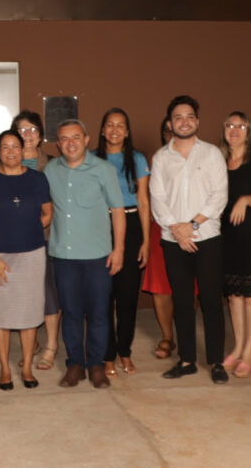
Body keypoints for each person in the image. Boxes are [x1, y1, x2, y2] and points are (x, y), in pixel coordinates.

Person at [150, 96, 229, 384]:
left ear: (197, 121)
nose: (184, 122)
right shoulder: (160, 158)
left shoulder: (212, 154)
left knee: (211, 301)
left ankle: (216, 361)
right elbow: (157, 198)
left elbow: (219, 195)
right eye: (178, 117)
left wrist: (191, 225)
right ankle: (186, 361)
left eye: (190, 116)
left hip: (207, 237)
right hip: (173, 241)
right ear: (170, 123)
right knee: (182, 302)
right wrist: (176, 230)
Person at [45, 119, 126, 389]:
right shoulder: (51, 171)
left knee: (99, 313)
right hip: (64, 256)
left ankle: (96, 365)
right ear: (58, 144)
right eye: (64, 138)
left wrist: (119, 249)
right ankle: (75, 365)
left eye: (76, 137)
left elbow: (118, 211)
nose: (71, 143)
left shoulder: (103, 169)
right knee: (70, 313)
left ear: (87, 140)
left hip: (97, 256)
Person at [0, 129, 54, 390]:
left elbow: (47, 213)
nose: (11, 151)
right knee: (1, 315)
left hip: (32, 257)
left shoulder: (37, 178)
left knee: (29, 314)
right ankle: (5, 370)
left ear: (23, 150)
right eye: (5, 147)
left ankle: (27, 368)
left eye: (15, 146)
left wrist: (28, 230)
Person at [94, 108, 150, 377]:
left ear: (127, 132)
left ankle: (124, 351)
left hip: (131, 226)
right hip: (100, 227)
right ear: (102, 130)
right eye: (110, 124)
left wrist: (146, 241)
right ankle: (107, 355)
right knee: (103, 297)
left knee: (127, 297)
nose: (114, 130)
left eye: (120, 125)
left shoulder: (137, 159)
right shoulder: (91, 159)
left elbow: (143, 201)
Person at [219, 111, 251, 379]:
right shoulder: (219, 160)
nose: (234, 130)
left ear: (248, 131)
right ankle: (238, 346)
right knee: (234, 296)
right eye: (230, 125)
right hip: (227, 236)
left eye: (240, 126)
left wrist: (245, 200)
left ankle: (249, 351)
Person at [11, 110, 61, 371]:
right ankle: (31, 346)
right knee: (22, 296)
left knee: (48, 294)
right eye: (22, 129)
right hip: (14, 243)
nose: (27, 134)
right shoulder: (5, 165)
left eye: (32, 129)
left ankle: (51, 346)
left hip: (46, 238)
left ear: (41, 135)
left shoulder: (54, 165)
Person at [142, 119, 177, 361]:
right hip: (160, 229)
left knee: (187, 288)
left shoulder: (202, 157)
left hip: (192, 229)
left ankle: (185, 335)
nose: (172, 135)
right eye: (167, 131)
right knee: (160, 289)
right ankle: (167, 337)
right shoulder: (156, 160)